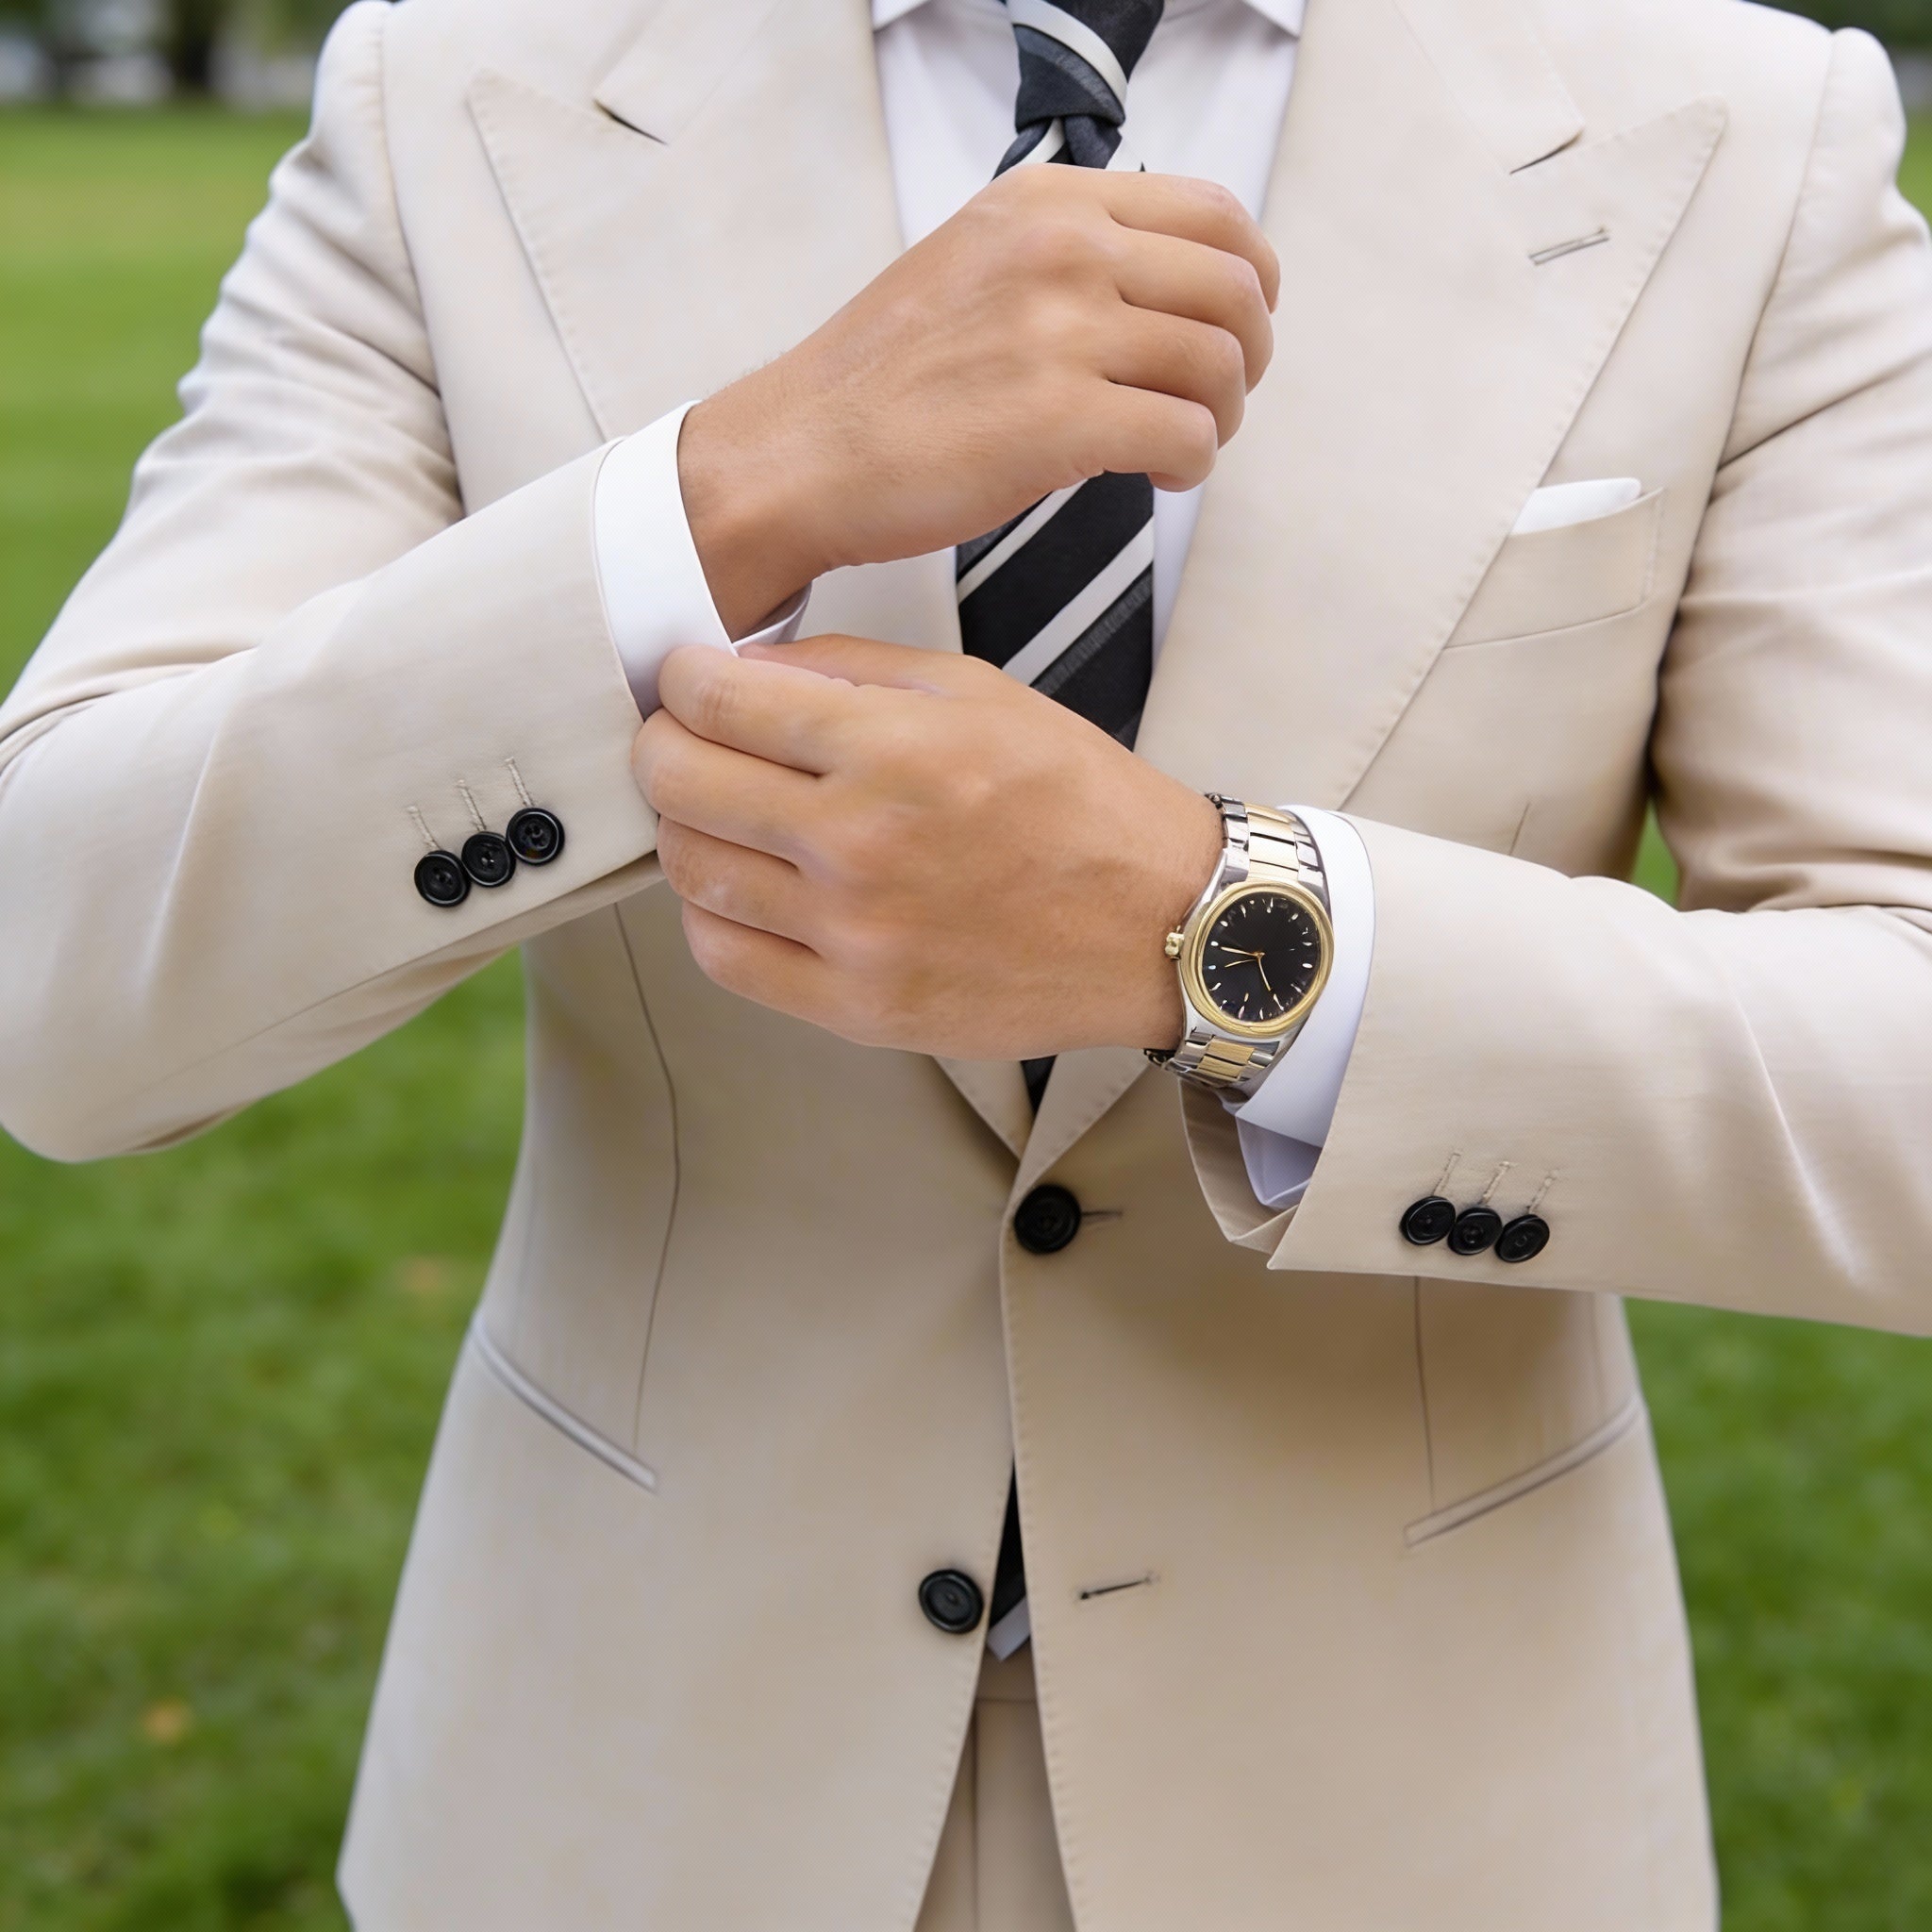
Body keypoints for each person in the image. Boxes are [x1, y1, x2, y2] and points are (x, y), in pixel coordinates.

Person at [3, 0, 1931, 1922]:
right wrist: (721, 496)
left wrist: (1215, 932)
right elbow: (52, 972)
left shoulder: (1741, 115)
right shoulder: (450, 85)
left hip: (1414, 1811)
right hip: (629, 1793)